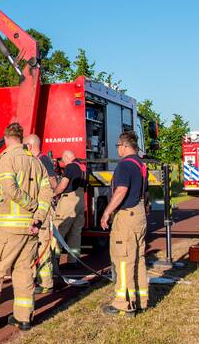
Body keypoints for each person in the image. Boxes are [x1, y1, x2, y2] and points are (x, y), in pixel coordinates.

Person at [0, 123, 53, 331]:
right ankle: (23, 317)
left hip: (9, 228)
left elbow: (10, 189)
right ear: (21, 139)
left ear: (6, 138)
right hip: (31, 228)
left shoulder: (7, 159)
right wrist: (38, 217)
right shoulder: (36, 162)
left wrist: (30, 205)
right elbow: (47, 192)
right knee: (23, 272)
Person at [99, 131, 150, 316]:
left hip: (126, 217)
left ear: (125, 145)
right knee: (139, 259)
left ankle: (123, 303)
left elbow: (121, 191)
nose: (117, 150)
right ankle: (141, 299)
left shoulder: (124, 165)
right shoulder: (141, 165)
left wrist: (106, 212)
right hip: (139, 214)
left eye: (118, 146)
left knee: (123, 260)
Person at [25, 134, 60, 294]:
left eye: (25, 145)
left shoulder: (42, 160)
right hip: (36, 208)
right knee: (34, 245)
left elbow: (52, 183)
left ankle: (46, 283)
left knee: (42, 246)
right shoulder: (34, 161)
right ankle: (34, 278)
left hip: (43, 209)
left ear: (30, 146)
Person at [53, 150, 87, 264]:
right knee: (75, 232)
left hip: (69, 201)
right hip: (81, 200)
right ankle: (74, 260)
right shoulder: (83, 167)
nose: (63, 163)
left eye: (63, 160)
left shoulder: (71, 167)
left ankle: (54, 259)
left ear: (67, 157)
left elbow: (63, 185)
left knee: (59, 229)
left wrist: (53, 193)